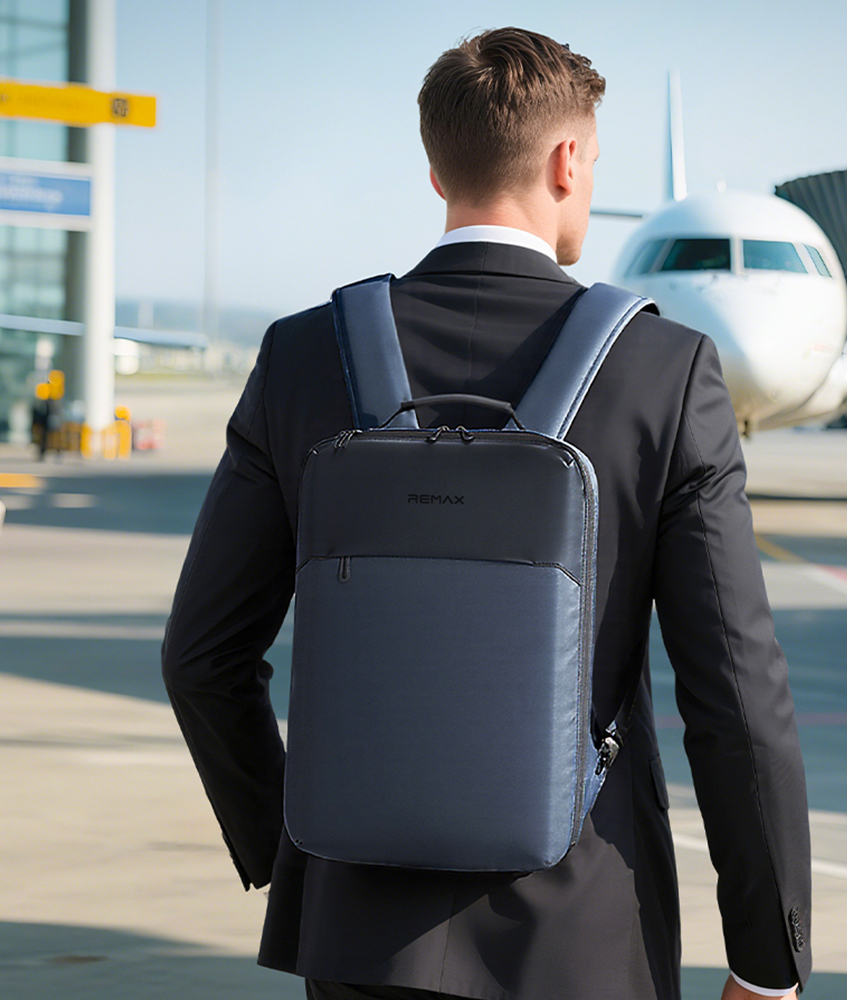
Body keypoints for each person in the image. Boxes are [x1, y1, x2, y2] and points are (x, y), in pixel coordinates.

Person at [162, 27, 810, 1000]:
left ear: (436, 170)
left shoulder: (300, 356)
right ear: (567, 160)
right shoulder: (665, 371)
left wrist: (295, 850)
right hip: (584, 939)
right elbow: (736, 693)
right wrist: (765, 962)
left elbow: (201, 658)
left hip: (357, 936)